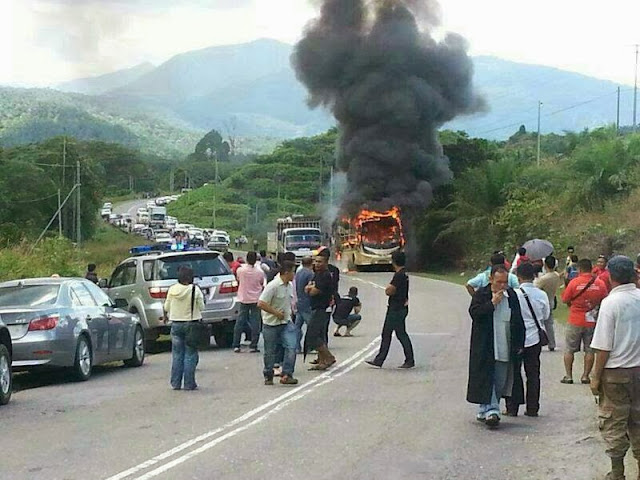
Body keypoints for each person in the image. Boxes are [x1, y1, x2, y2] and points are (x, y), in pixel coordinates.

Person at [590, 256, 640, 480]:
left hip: (615, 374)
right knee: (638, 420)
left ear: (610, 276)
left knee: (614, 421)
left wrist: (595, 377)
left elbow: (603, 347)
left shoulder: (610, 303)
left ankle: (617, 471)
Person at [466, 265, 526, 428]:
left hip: (505, 344)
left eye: (505, 282)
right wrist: (492, 303)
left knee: (500, 381)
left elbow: (518, 320)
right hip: (486, 346)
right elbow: (475, 313)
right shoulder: (481, 295)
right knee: (487, 378)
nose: (502, 285)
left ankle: (485, 408)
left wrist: (520, 342)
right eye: (499, 282)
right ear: (491, 279)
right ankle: (493, 410)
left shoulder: (511, 296)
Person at [507, 262, 550, 417]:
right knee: (533, 374)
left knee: (515, 372)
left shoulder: (513, 294)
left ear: (518, 277)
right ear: (534, 276)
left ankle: (512, 407)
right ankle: (533, 407)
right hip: (535, 338)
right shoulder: (542, 294)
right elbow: (546, 316)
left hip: (518, 338)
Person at [561, 258, 608, 384]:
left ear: (579, 269)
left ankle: (568, 376)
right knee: (590, 350)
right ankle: (585, 376)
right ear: (591, 268)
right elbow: (605, 299)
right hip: (592, 320)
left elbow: (565, 299)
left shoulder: (574, 282)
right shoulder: (600, 283)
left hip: (575, 319)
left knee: (570, 349)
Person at [365, 251, 415, 369]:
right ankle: (384, 359)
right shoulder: (404, 274)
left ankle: (382, 359)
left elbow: (389, 290)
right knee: (398, 333)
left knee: (391, 334)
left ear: (393, 261)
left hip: (395, 309)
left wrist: (388, 289)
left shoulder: (398, 275)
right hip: (401, 307)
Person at [258, 261, 299, 386]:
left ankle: (287, 374)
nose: (294, 275)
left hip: (286, 322)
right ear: (286, 272)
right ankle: (268, 374)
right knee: (270, 351)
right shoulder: (273, 286)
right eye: (293, 272)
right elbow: (261, 303)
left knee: (291, 347)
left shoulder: (289, 285)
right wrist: (275, 313)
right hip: (271, 323)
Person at [164, 266, 204, 391]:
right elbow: (201, 307)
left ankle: (175, 383)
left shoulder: (172, 289)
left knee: (177, 355)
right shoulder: (194, 290)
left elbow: (166, 307)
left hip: (175, 323)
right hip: (191, 324)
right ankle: (189, 383)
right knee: (190, 354)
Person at [304, 254, 336, 370]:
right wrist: (309, 289)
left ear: (326, 263)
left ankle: (329, 357)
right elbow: (307, 287)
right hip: (315, 307)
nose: (317, 264)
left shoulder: (325, 276)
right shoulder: (317, 275)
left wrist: (310, 289)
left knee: (313, 336)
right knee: (319, 335)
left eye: (320, 262)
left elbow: (313, 291)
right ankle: (322, 360)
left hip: (321, 308)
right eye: (316, 261)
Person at [233, 251, 265, 353]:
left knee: (240, 322)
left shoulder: (240, 270)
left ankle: (236, 344)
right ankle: (253, 345)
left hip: (243, 298)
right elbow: (261, 283)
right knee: (256, 322)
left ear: (246, 259)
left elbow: (238, 280)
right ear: (255, 260)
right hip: (256, 299)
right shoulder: (259, 272)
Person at [534, 255, 563, 351]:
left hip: (542, 302)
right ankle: (552, 343)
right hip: (551, 300)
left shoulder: (544, 278)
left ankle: (538, 341)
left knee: (539, 322)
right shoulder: (556, 275)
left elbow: (535, 287)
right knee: (549, 324)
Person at [294, 257, 314, 353]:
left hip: (299, 301)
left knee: (297, 326)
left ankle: (297, 346)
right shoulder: (310, 274)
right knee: (311, 326)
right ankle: (309, 346)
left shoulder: (298, 273)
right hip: (307, 302)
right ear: (311, 263)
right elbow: (311, 287)